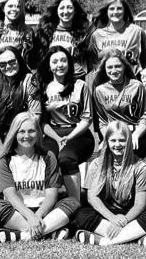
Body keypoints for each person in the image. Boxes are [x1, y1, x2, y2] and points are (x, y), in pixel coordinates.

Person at [0, 112, 80, 242]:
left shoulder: (48, 157)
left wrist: (37, 216)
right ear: (14, 133)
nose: (27, 136)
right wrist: (30, 217)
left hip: (44, 211)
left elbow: (51, 196)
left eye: (31, 131)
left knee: (73, 202)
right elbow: (11, 196)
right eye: (22, 132)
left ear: (38, 133)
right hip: (17, 211)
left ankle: (22, 235)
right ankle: (49, 230)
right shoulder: (4, 160)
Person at [74, 121, 146, 246]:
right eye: (113, 140)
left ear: (129, 141)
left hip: (130, 215)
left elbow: (140, 204)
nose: (117, 144)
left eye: (122, 140)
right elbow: (92, 197)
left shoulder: (140, 167)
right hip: (105, 214)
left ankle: (104, 241)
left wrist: (124, 221)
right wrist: (112, 219)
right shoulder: (96, 164)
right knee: (81, 214)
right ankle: (134, 236)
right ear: (107, 142)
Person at [32, 46, 94, 201]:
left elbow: (87, 119)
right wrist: (59, 139)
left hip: (79, 133)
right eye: (55, 61)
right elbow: (43, 123)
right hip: (53, 134)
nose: (59, 65)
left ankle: (75, 201)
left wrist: (69, 138)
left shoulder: (81, 86)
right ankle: (44, 201)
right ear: (49, 65)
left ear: (69, 63)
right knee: (46, 157)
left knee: (66, 158)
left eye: (63, 60)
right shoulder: (44, 87)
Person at [0, 46, 41, 164]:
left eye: (12, 62)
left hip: (24, 133)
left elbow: (35, 115)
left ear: (19, 60)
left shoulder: (30, 81)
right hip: (0, 134)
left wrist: (6, 146)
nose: (8, 66)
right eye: (3, 64)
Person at [92, 49, 146, 159]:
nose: (114, 70)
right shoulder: (99, 91)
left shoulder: (136, 86)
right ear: (104, 69)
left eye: (118, 66)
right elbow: (102, 121)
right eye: (109, 67)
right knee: (103, 158)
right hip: (113, 135)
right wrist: (108, 139)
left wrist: (136, 135)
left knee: (128, 158)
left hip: (135, 134)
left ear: (124, 66)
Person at [89, 0, 146, 80]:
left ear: (125, 10)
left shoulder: (137, 31)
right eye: (112, 9)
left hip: (130, 84)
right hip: (105, 86)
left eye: (119, 8)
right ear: (106, 11)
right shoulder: (96, 35)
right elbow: (92, 63)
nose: (116, 12)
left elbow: (145, 61)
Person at [36, 0, 92, 80]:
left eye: (69, 7)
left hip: (76, 79)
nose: (66, 12)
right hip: (51, 79)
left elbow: (87, 61)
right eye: (62, 8)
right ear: (56, 10)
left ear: (75, 10)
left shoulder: (83, 32)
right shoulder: (46, 31)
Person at [0, 0, 38, 69]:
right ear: (3, 8)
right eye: (10, 6)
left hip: (21, 77)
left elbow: (32, 60)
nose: (14, 9)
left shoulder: (27, 31)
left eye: (17, 7)